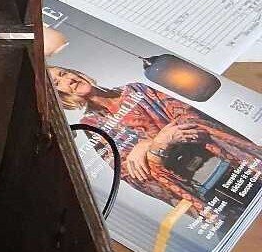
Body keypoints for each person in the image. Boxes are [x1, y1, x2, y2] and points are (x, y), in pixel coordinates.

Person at [49, 66, 260, 223]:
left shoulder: (136, 89)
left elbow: (190, 117)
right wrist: (159, 144)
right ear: (61, 96)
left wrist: (148, 144)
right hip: (204, 190)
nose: (67, 79)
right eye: (58, 83)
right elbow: (133, 175)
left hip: (233, 161)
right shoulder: (90, 125)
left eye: (63, 73)